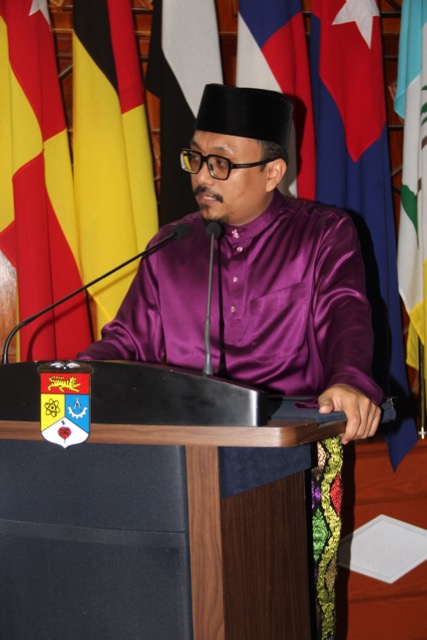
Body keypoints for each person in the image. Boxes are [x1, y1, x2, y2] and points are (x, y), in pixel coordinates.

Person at [79, 84, 384, 638]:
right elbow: (125, 340)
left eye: (220, 163)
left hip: (290, 458)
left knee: (286, 608)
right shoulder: (172, 243)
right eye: (195, 158)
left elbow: (345, 311)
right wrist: (73, 375)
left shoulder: (322, 234)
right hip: (175, 465)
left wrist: (349, 380)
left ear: (272, 172)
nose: (202, 177)